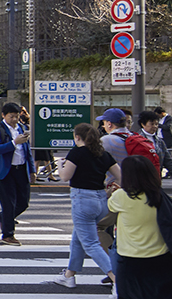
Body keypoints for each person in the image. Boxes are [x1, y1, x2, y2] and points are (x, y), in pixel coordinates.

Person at [107, 154, 172, 299]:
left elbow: (111, 207)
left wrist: (117, 191)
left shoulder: (120, 196)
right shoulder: (160, 196)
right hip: (162, 258)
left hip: (130, 260)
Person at [56, 121, 119, 289]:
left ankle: (117, 280)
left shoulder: (77, 153)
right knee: (78, 239)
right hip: (101, 200)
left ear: (77, 137)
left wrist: (60, 165)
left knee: (91, 243)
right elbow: (121, 176)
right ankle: (69, 275)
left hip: (83, 200)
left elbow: (65, 176)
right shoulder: (103, 154)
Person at [0, 101, 33, 245]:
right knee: (9, 203)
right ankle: (8, 234)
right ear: (3, 115)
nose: (14, 120)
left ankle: (4, 217)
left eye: (17, 116)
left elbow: (28, 151)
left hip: (21, 169)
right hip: (5, 171)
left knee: (23, 202)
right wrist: (14, 142)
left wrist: (32, 170)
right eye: (11, 116)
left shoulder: (21, 127)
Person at [140, 110, 172, 182]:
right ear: (143, 124)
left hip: (156, 177)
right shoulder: (136, 139)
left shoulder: (159, 141)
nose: (155, 127)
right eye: (152, 124)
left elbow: (167, 160)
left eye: (156, 124)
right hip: (141, 178)